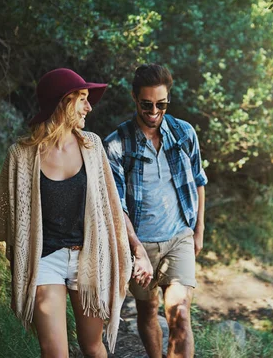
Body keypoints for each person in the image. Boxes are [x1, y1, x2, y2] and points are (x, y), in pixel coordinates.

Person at [0, 68, 132, 358]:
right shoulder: (20, 155)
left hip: (87, 257)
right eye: (81, 98)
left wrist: (135, 249)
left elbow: (111, 206)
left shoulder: (92, 146)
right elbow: (10, 219)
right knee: (55, 352)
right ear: (62, 103)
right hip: (45, 260)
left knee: (93, 347)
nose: (89, 106)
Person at [104, 63, 207, 358]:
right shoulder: (117, 145)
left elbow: (199, 181)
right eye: (146, 104)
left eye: (161, 104)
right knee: (148, 311)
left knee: (180, 316)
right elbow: (117, 206)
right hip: (140, 245)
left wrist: (198, 230)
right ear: (135, 98)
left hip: (179, 238)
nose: (153, 111)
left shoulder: (184, 134)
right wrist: (136, 251)